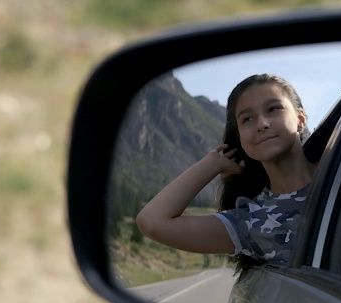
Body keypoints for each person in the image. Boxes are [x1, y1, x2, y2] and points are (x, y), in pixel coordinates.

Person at [136, 73, 317, 276]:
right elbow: (152, 222)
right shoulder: (252, 221)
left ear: (300, 119)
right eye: (248, 119)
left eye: (273, 109)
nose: (262, 124)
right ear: (240, 137)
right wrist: (210, 165)